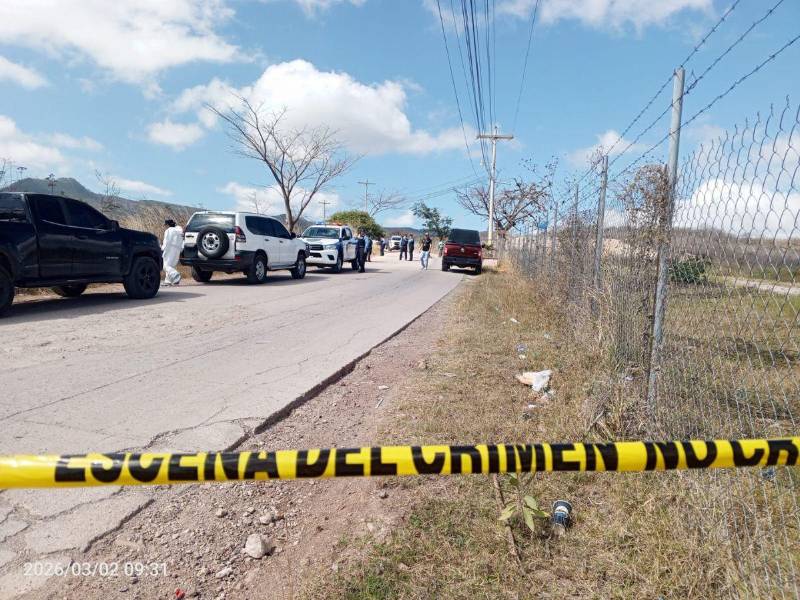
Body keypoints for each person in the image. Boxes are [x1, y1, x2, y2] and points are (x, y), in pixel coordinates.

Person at [161, 218, 183, 286]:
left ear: (168, 224)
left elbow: (167, 241)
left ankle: (175, 275)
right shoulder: (179, 230)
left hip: (170, 248)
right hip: (178, 249)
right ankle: (168, 281)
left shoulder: (168, 231)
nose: (165, 226)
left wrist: (162, 248)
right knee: (172, 265)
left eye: (165, 225)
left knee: (165, 265)